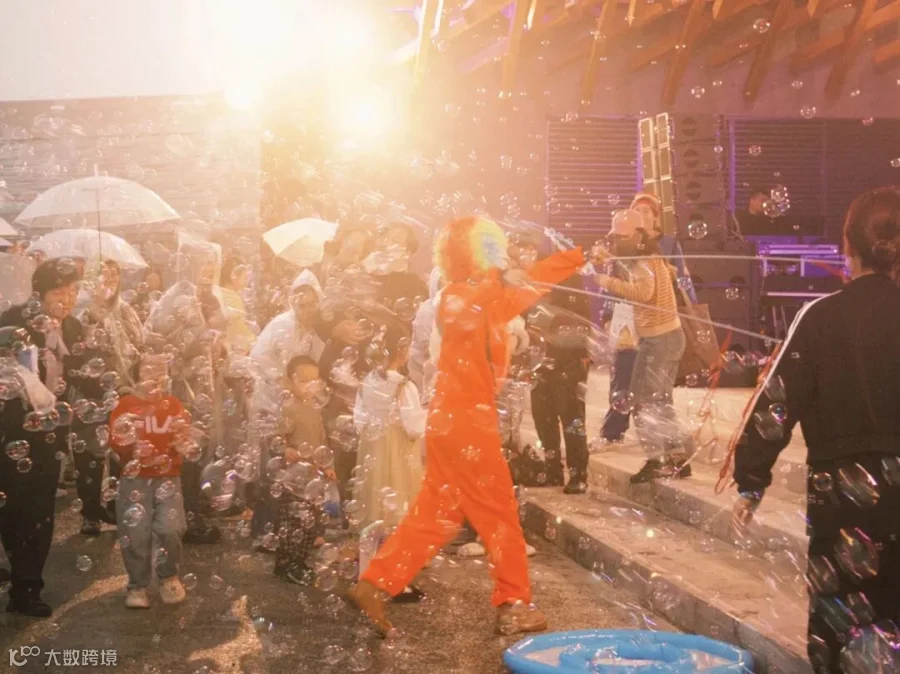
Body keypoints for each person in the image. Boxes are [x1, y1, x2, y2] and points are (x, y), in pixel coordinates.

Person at [350, 216, 587, 636]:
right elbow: (493, 296)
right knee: (499, 513)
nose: (503, 255)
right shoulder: (459, 298)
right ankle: (514, 603)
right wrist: (504, 277)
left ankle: (375, 583)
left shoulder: (482, 299)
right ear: (475, 254)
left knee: (435, 514)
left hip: (456, 419)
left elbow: (530, 285)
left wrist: (580, 256)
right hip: (465, 423)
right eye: (493, 248)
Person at [731, 187, 900, 674]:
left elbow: (778, 404)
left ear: (847, 246)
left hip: (841, 496)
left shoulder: (820, 317)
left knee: (839, 624)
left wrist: (751, 480)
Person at [0, 259, 88, 616]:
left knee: (39, 510)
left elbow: (81, 375)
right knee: (11, 507)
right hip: (12, 430)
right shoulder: (14, 322)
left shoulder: (74, 327)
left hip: (51, 433)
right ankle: (15, 566)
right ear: (40, 292)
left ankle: (27, 587)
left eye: (73, 291)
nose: (67, 299)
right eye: (59, 291)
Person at [594, 209, 694, 484]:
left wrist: (607, 281)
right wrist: (610, 260)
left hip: (661, 341)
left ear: (639, 236)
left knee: (645, 402)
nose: (618, 241)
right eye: (615, 237)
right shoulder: (646, 258)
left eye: (623, 237)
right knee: (656, 401)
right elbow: (636, 274)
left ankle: (660, 459)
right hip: (659, 339)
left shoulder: (644, 262)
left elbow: (643, 293)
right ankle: (676, 457)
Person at [145, 239, 226, 544]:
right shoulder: (179, 298)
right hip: (182, 390)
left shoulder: (190, 295)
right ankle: (186, 519)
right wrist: (206, 338)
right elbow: (161, 345)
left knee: (192, 453)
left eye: (212, 264)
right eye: (204, 263)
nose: (209, 270)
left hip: (193, 388)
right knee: (185, 454)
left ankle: (189, 511)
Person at [109, 354, 189, 608]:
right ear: (137, 375)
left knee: (171, 528)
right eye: (148, 368)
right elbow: (115, 439)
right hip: (134, 478)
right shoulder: (126, 405)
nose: (154, 372)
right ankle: (137, 585)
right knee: (135, 532)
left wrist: (182, 441)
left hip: (168, 476)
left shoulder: (173, 404)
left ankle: (169, 576)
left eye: (160, 368)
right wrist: (132, 450)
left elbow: (184, 438)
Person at [516, 233, 592, 494]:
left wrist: (582, 354)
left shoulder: (564, 275)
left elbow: (581, 317)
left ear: (532, 249)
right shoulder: (521, 281)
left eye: (521, 251)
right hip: (537, 359)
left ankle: (578, 474)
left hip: (568, 358)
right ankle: (552, 471)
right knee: (543, 417)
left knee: (571, 417)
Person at [71, 259, 143, 535]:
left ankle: (114, 506)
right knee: (89, 456)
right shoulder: (81, 312)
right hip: (89, 394)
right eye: (103, 274)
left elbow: (138, 346)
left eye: (114, 274)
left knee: (120, 454)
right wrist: (94, 315)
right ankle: (90, 513)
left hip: (122, 392)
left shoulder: (126, 311)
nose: (110, 279)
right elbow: (77, 354)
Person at [352, 326, 426, 531]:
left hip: (372, 448)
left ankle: (373, 539)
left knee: (374, 494)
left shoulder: (366, 382)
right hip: (399, 451)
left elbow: (359, 422)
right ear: (401, 352)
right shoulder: (404, 385)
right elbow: (414, 428)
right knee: (398, 495)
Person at [267, 355, 333, 584]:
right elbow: (277, 438)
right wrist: (285, 449)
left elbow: (323, 441)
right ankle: (287, 564)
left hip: (313, 477)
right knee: (292, 523)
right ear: (289, 381)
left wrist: (328, 465)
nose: (310, 387)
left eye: (314, 381)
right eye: (304, 381)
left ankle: (300, 562)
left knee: (309, 524)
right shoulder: (288, 409)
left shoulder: (315, 408)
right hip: (293, 478)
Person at [249, 270, 325, 418]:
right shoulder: (281, 323)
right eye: (302, 305)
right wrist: (281, 378)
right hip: (272, 395)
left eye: (311, 304)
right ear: (293, 302)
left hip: (302, 395)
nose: (307, 310)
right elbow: (258, 355)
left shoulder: (320, 327)